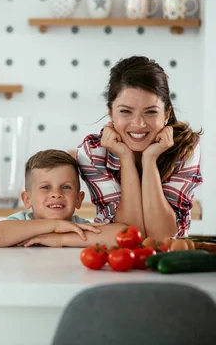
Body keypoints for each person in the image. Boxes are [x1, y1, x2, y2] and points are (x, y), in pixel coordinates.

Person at [77, 56, 203, 239]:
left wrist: (150, 159)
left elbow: (163, 237)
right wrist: (126, 158)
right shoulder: (93, 153)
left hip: (167, 262)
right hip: (116, 259)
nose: (139, 123)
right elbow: (129, 234)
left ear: (166, 114)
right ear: (110, 112)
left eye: (151, 111)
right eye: (126, 111)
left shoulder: (184, 147)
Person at [0, 149, 126, 247]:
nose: (56, 194)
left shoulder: (78, 226)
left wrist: (60, 239)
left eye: (65, 187)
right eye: (45, 187)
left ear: (79, 199)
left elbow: (123, 234)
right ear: (27, 199)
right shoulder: (21, 222)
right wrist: (55, 226)